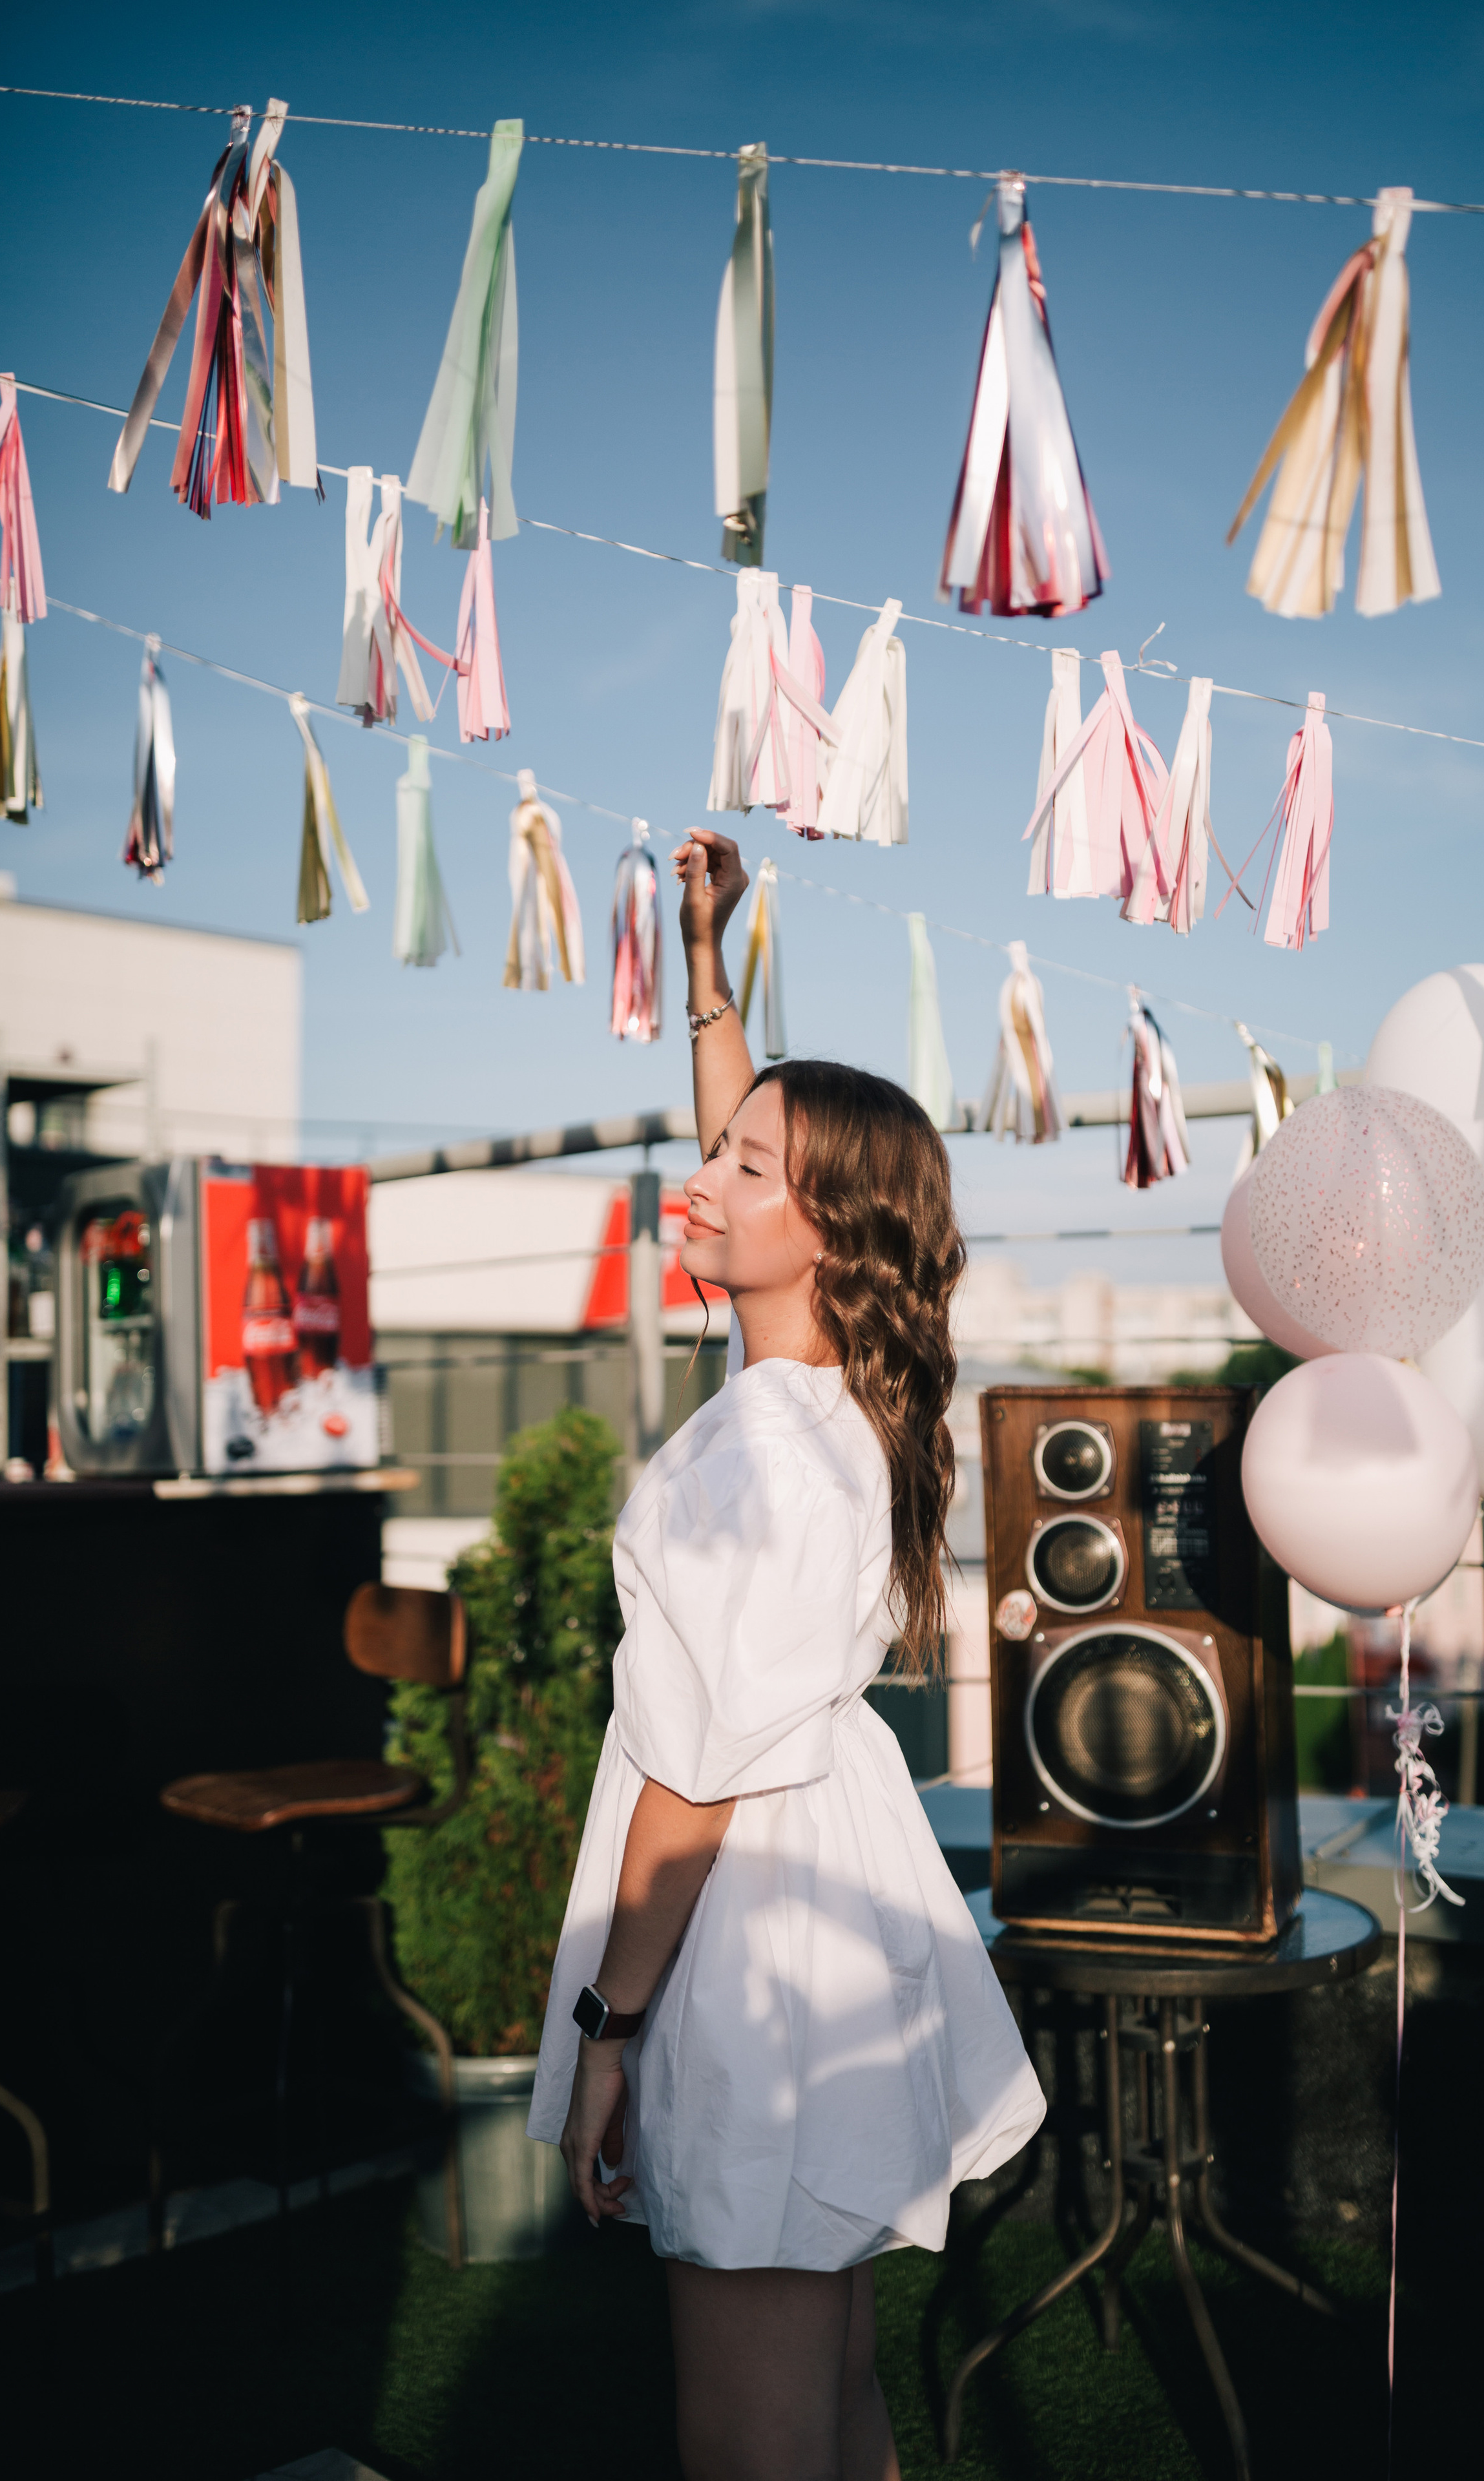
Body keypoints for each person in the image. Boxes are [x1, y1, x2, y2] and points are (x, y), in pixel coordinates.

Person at [528, 826, 1045, 2481]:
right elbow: (751, 1165)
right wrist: (706, 971)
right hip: (832, 1909)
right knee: (834, 2408)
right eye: (725, 1148)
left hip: (740, 1945)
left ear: (825, 1233)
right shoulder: (843, 1408)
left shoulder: (762, 1454)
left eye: (750, 1168)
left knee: (750, 2446)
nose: (706, 1175)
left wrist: (609, 2041)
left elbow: (686, 1790)